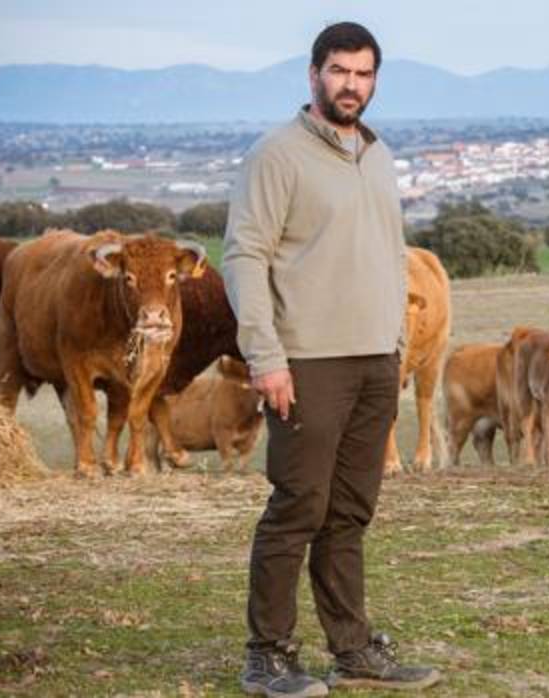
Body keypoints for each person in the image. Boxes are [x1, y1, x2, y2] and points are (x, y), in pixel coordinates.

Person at [223, 21, 441, 698]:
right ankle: (268, 657)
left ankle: (352, 649)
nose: (352, 84)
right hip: (307, 362)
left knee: (350, 512)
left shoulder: (377, 155)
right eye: (341, 71)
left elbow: (383, 255)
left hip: (376, 362)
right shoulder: (277, 155)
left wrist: (396, 349)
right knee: (298, 507)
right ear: (314, 73)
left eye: (365, 73)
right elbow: (244, 256)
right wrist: (266, 357)